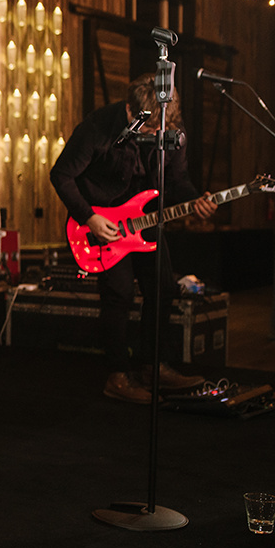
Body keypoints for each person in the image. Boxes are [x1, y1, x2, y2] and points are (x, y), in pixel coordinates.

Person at [50, 73, 215, 404]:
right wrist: (89, 218)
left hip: (148, 219)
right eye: (147, 129)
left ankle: (154, 367)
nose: (153, 135)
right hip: (104, 223)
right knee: (119, 294)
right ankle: (117, 375)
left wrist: (196, 201)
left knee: (164, 288)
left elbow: (178, 180)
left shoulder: (171, 133)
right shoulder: (97, 128)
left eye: (159, 130)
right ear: (129, 110)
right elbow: (62, 174)